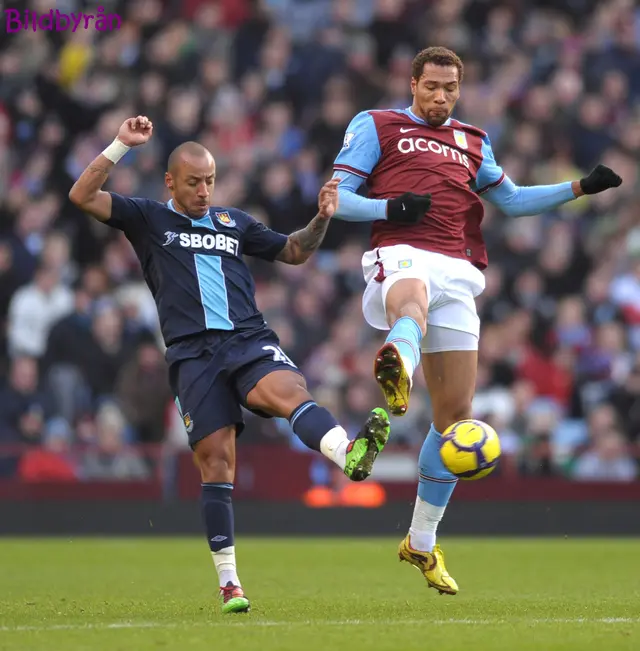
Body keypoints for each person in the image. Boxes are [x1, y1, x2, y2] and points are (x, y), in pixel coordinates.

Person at [68, 115, 391, 614]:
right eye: (194, 183)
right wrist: (119, 145)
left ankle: (348, 454)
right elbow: (82, 196)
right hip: (192, 355)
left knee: (286, 393)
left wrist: (323, 217)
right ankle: (230, 584)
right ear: (171, 182)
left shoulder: (233, 222)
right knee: (217, 465)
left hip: (247, 340)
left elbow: (294, 251)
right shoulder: (149, 218)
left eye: (211, 181)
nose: (203, 192)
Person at [331, 46, 623, 595]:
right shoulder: (377, 124)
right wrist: (390, 209)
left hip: (461, 271)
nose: (441, 96)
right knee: (410, 297)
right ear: (412, 82)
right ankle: (399, 371)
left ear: (459, 90)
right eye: (431, 86)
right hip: (400, 250)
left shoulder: (474, 140)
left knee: (453, 421)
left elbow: (511, 201)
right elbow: (336, 200)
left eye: (450, 88)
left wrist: (579, 188)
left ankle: (420, 542)